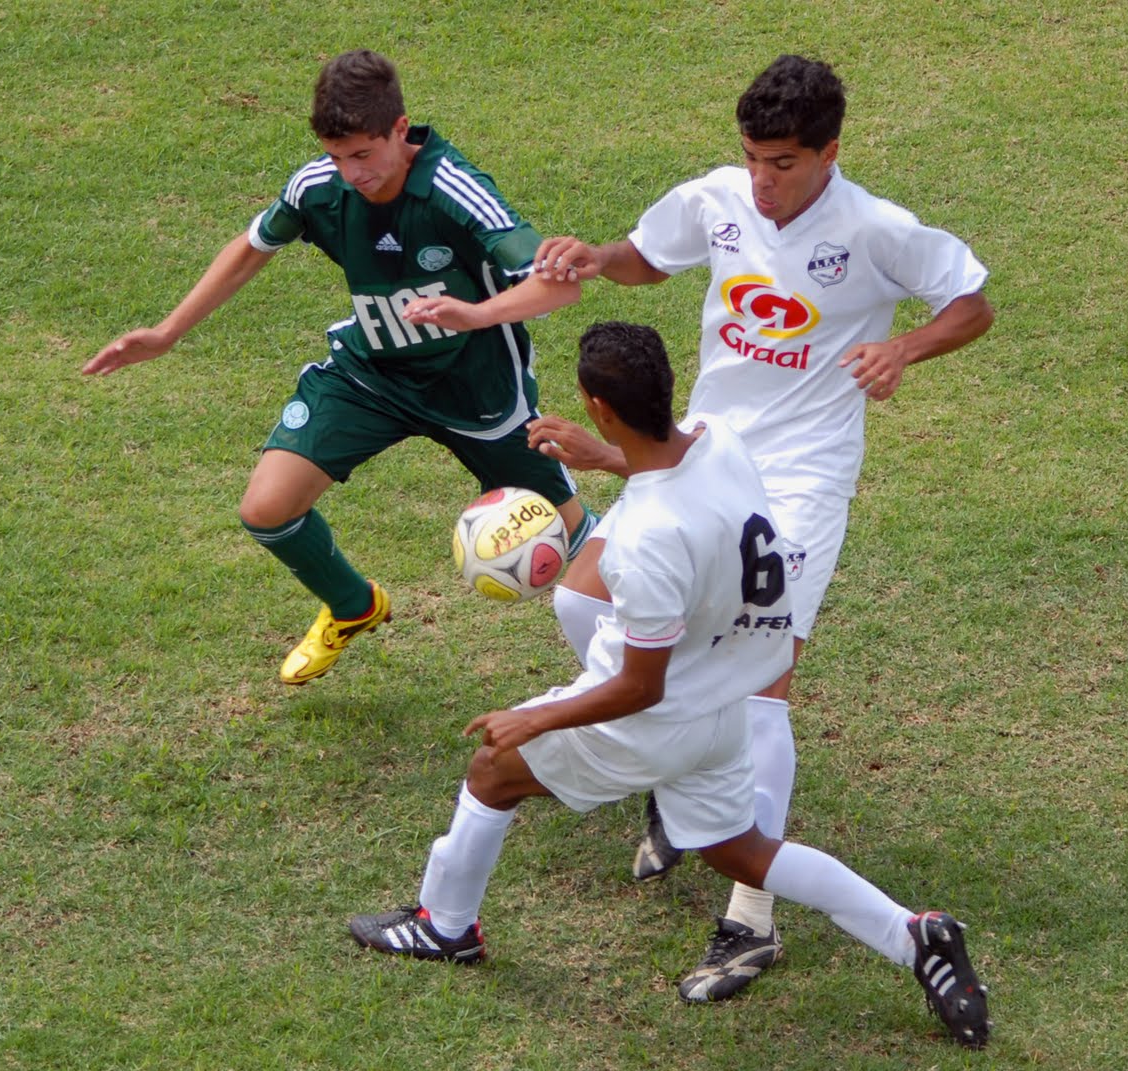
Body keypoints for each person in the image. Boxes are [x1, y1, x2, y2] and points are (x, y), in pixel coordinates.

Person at [402, 54, 993, 1002]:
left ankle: (748, 919)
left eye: (786, 163)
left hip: (796, 482)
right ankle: (687, 783)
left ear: (830, 152)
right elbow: (647, 259)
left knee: (762, 684)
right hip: (701, 449)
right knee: (579, 601)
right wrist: (592, 260)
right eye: (754, 158)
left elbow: (973, 301)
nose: (765, 180)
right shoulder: (718, 198)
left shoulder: (877, 230)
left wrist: (905, 347)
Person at [348, 322, 990, 1050]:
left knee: (493, 769)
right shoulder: (720, 438)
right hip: (725, 709)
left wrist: (538, 718)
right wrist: (607, 458)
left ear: (598, 405)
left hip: (657, 718)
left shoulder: (643, 541)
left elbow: (638, 687)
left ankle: (444, 926)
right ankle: (917, 936)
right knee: (745, 851)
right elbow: (673, 473)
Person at [82, 49, 596, 685]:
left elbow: (559, 287)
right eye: (336, 155)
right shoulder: (317, 188)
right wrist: (166, 333)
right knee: (266, 509)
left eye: (363, 155)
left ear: (400, 130)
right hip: (372, 375)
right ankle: (354, 607)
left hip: (477, 389)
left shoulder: (456, 191)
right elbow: (251, 249)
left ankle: (656, 645)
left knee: (580, 543)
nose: (351, 172)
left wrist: (475, 313)